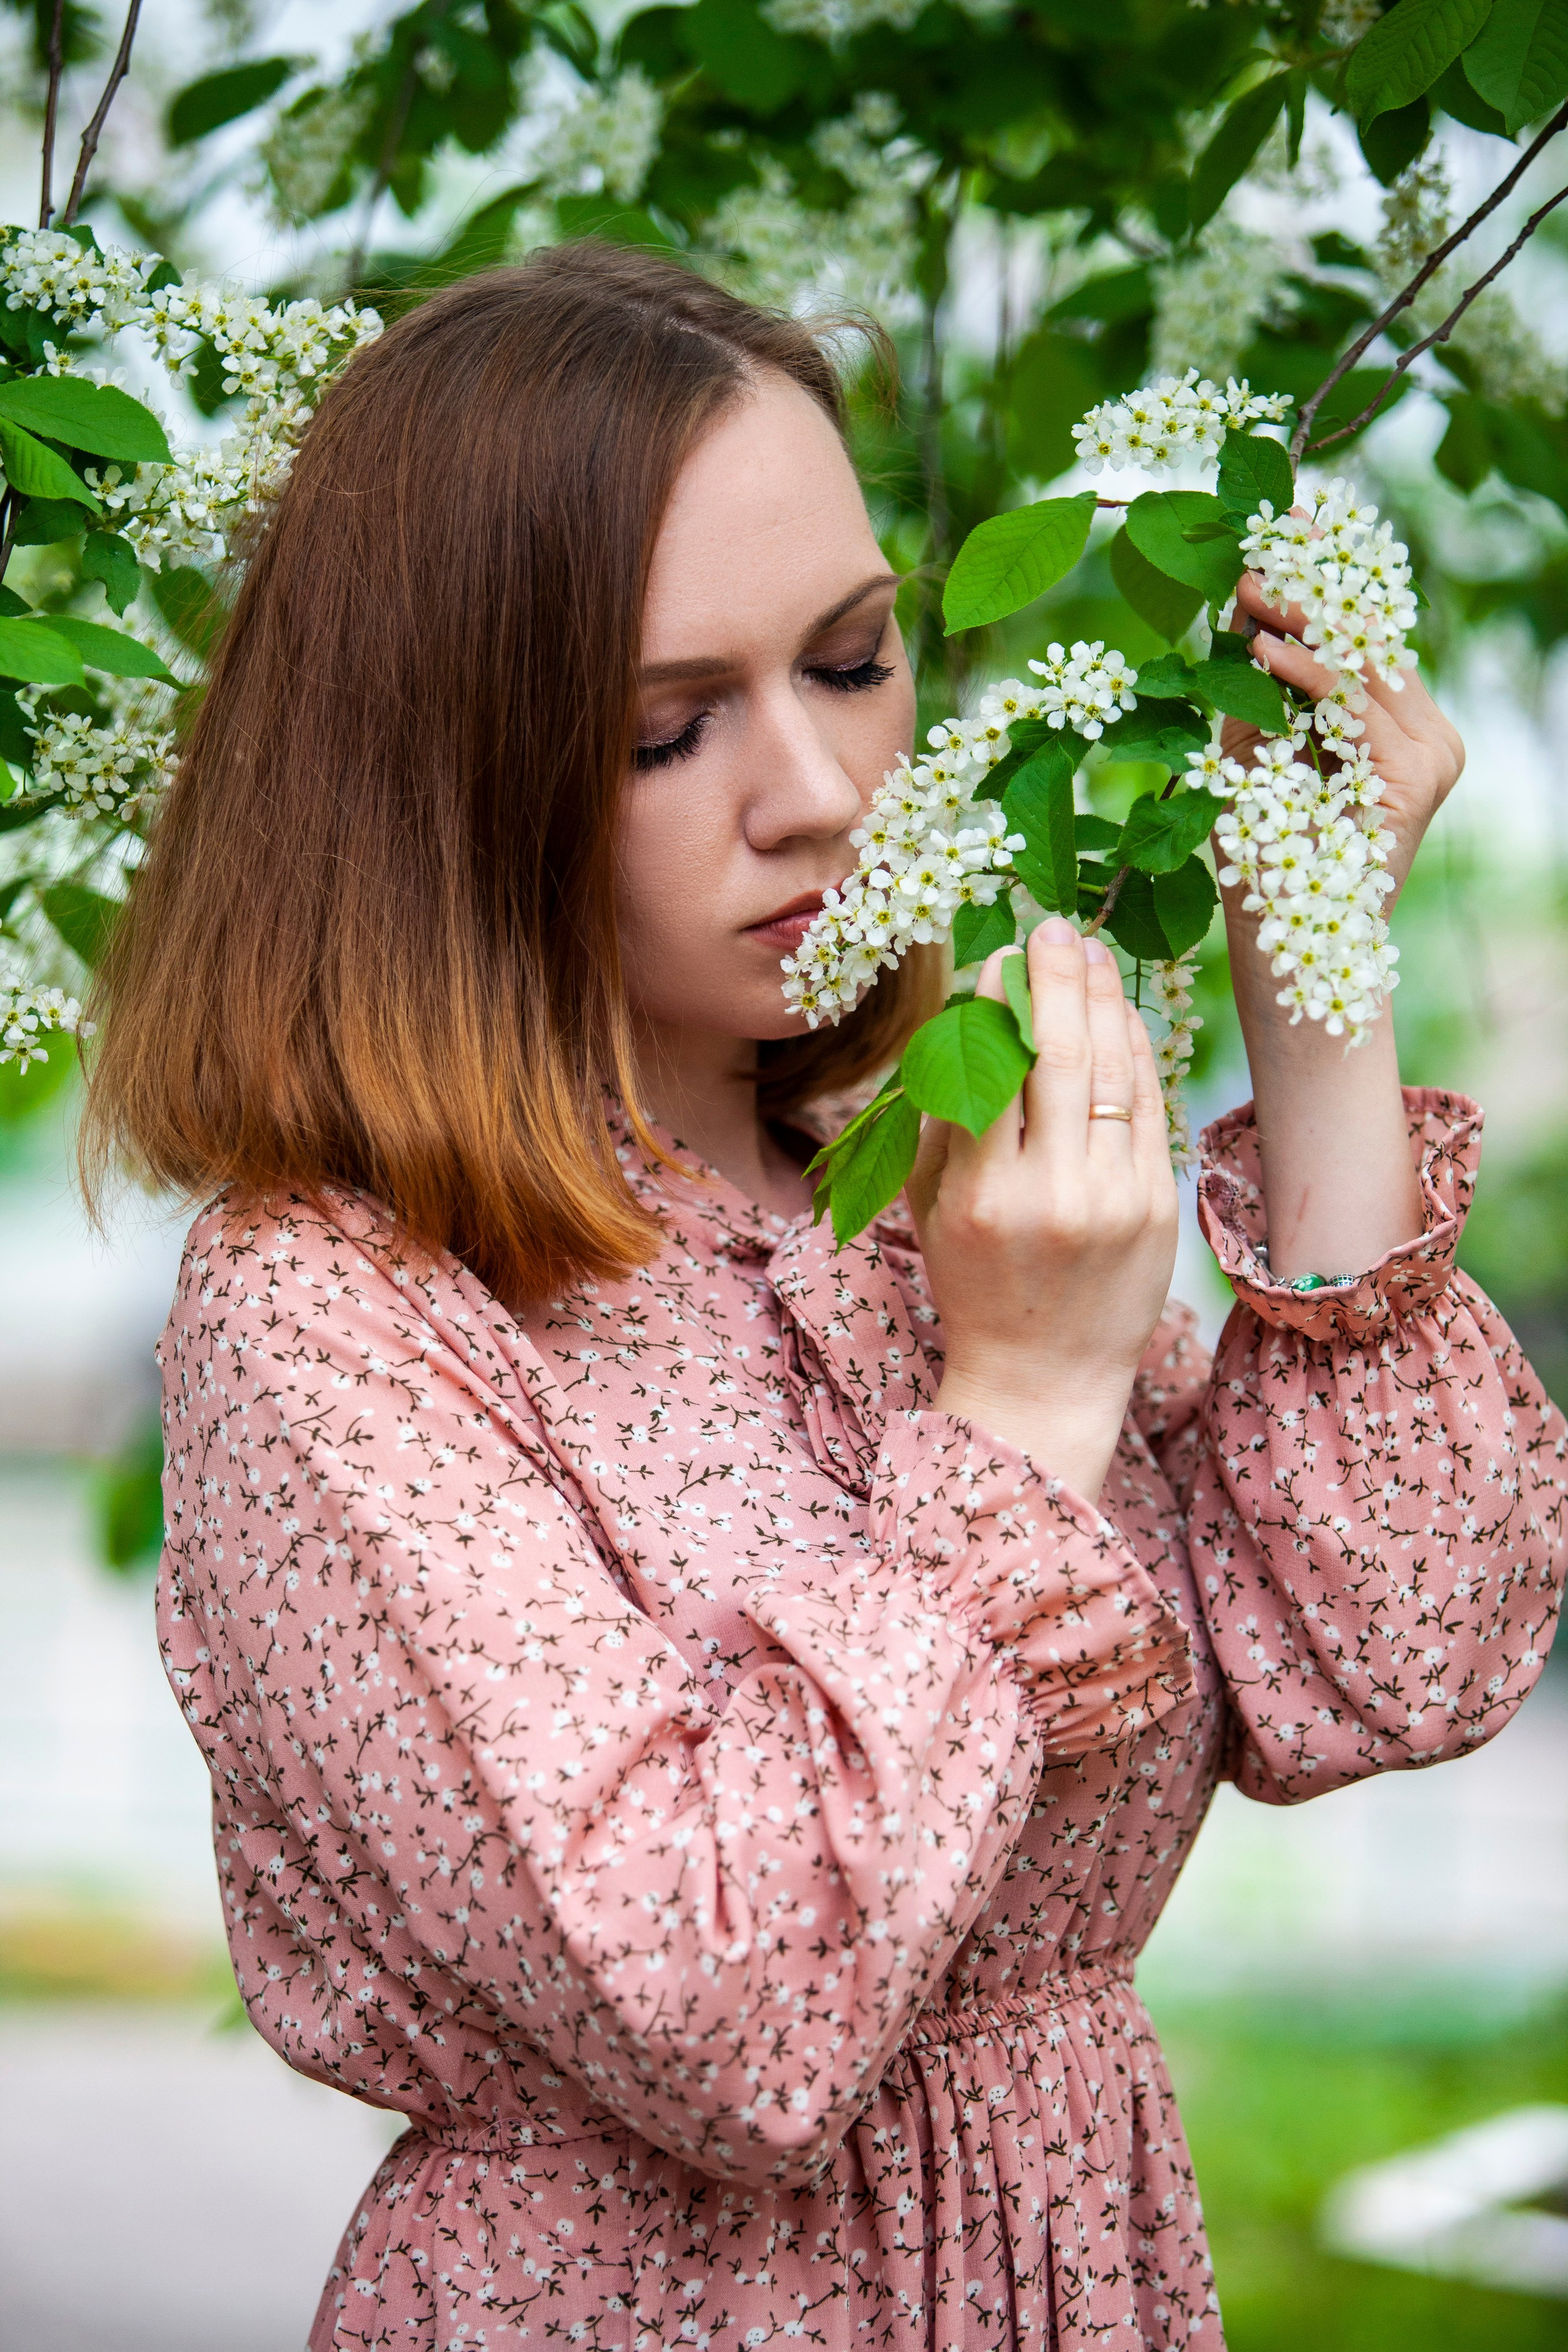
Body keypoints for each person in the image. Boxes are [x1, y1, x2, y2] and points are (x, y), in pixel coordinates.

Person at [83, 243, 1564, 2352]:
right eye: (673, 728)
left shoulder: (925, 1149)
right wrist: (1028, 1407)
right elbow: (724, 2011)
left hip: (1081, 2274)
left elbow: (1397, 1660)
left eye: (854, 662)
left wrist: (1310, 973)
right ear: (445, 781)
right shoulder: (333, 1314)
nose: (818, 791)